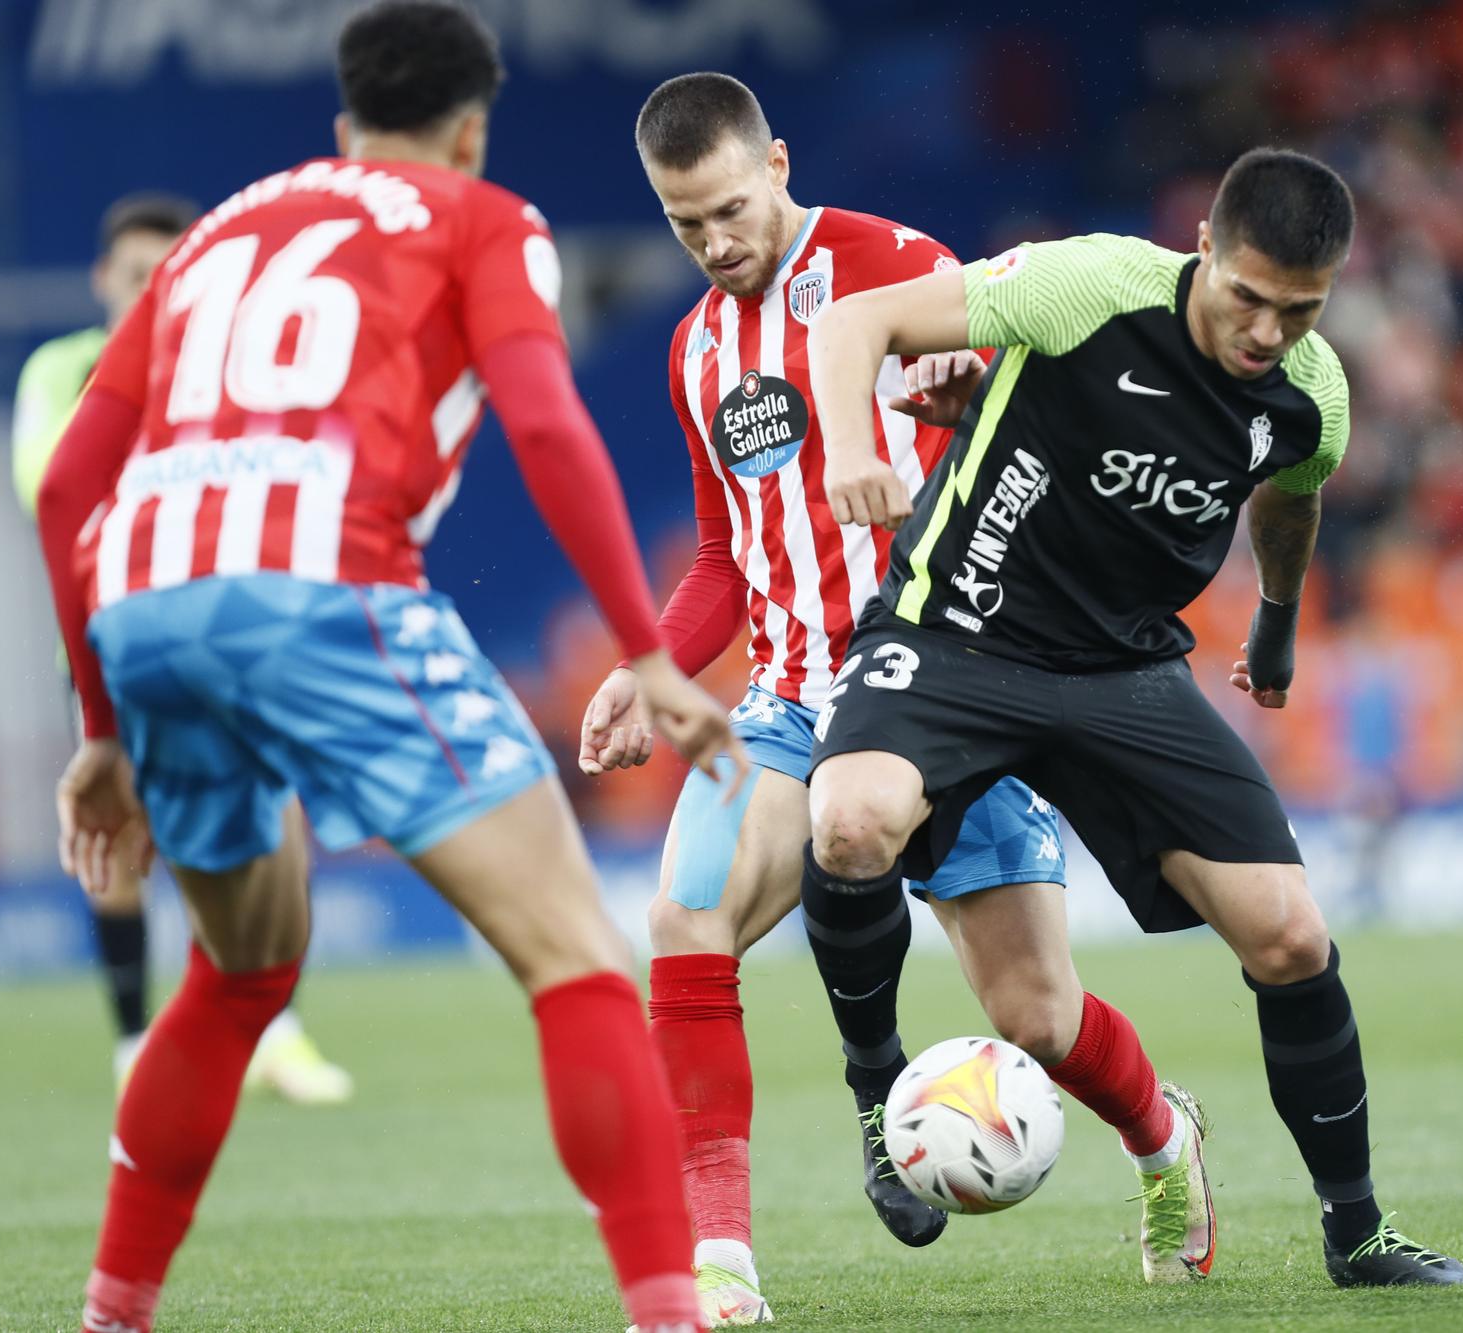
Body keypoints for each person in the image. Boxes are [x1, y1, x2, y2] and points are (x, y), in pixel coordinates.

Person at [32, 6, 746, 1331]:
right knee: (577, 958)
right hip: (325, 587)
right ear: (472, 127)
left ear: (340, 119)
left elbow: (72, 479)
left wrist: (101, 727)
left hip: (145, 601)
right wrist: (646, 652)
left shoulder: (215, 234)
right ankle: (668, 1313)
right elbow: (541, 418)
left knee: (239, 972)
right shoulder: (481, 220)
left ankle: (111, 1312)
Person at [798, 147, 1463, 1288]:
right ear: (1202, 248)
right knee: (850, 820)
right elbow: (850, 323)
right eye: (1246, 296)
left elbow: (1289, 495)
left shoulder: (1312, 396)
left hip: (1123, 675)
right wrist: (858, 456)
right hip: (955, 630)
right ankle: (879, 1100)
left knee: (1290, 937)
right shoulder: (1088, 285)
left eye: (1297, 310)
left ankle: (1355, 1234)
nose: (1265, 331)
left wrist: (1272, 623)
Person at [579, 73, 1173, 1326]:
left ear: (779, 163)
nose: (716, 244)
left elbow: (1031, 441)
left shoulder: (898, 267)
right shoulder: (698, 349)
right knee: (686, 928)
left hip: (950, 690)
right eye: (686, 226)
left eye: (730, 210)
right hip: (791, 700)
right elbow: (723, 560)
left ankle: (1164, 1143)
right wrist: (648, 669)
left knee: (1038, 1014)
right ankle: (723, 1260)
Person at [13, 192, 353, 1104]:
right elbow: (49, 480)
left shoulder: (228, 371)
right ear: (103, 282)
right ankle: (133, 1039)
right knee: (124, 838)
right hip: (107, 645)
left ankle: (273, 1026)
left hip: (229, 633)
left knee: (272, 822)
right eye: (136, 277)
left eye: (170, 275)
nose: (152, 293)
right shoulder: (64, 368)